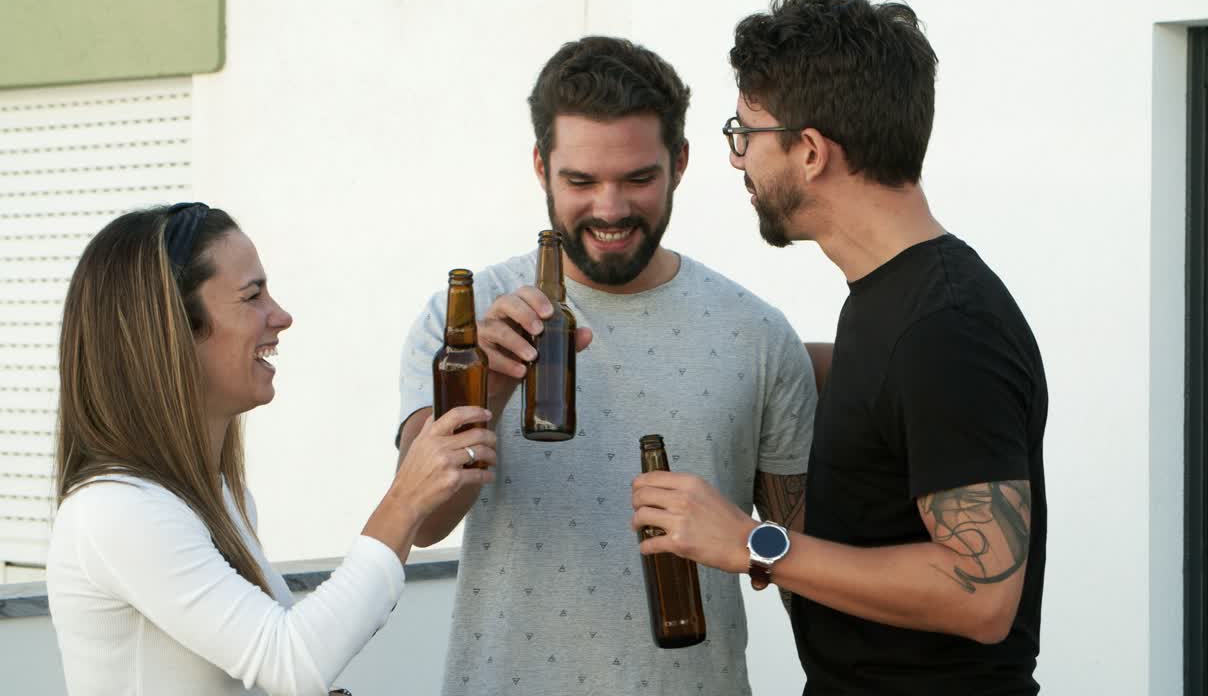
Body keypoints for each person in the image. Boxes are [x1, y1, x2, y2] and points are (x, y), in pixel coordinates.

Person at [631, 0, 1049, 695]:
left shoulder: (946, 328)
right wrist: (756, 357)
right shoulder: (889, 301)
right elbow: (887, 411)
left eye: (747, 133)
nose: (739, 160)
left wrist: (752, 543)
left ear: (812, 151)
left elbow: (982, 596)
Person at [396, 36, 818, 694]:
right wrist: (491, 390)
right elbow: (420, 523)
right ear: (541, 167)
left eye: (638, 178)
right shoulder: (466, 318)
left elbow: (802, 564)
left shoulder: (756, 333)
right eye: (582, 181)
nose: (611, 208)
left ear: (679, 162)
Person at [46, 203, 498, 696]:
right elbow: (291, 662)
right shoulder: (117, 510)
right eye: (252, 296)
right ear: (173, 329)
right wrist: (407, 499)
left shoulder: (214, 498)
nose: (281, 316)